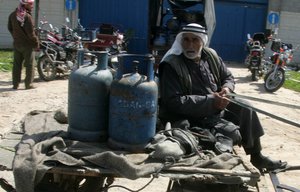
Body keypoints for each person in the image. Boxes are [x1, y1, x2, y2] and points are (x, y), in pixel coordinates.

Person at [158, 23, 287, 171]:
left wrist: (226, 89)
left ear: (203, 41)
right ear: (180, 41)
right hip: (190, 114)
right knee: (230, 132)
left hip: (216, 105)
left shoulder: (210, 56)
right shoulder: (171, 65)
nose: (190, 44)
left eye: (195, 40)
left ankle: (257, 157)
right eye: (186, 40)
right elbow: (173, 102)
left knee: (246, 108)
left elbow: (228, 77)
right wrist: (212, 101)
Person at [7, 0, 39, 90]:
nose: (32, 6)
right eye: (31, 4)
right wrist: (36, 43)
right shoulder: (27, 17)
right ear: (25, 5)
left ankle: (15, 84)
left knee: (17, 65)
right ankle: (28, 84)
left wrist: (16, 36)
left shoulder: (12, 15)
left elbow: (9, 28)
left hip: (17, 44)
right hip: (27, 45)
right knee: (30, 65)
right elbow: (31, 33)